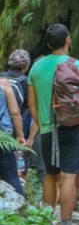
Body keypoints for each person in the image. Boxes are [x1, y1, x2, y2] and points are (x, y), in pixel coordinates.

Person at [27, 23, 79, 225]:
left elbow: (32, 104)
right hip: (73, 127)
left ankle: (45, 224)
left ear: (48, 44)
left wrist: (44, 123)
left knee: (50, 175)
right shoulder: (76, 64)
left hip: (47, 129)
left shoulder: (36, 68)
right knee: (69, 176)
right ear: (68, 41)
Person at [2, 49, 34, 192]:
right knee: (14, 172)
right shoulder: (27, 83)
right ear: (26, 65)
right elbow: (18, 112)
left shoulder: (1, 78)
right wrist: (23, 136)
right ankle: (20, 201)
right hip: (12, 131)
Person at [0, 76, 26, 195]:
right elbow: (15, 112)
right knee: (11, 176)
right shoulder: (4, 83)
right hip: (4, 137)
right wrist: (20, 136)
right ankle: (19, 209)